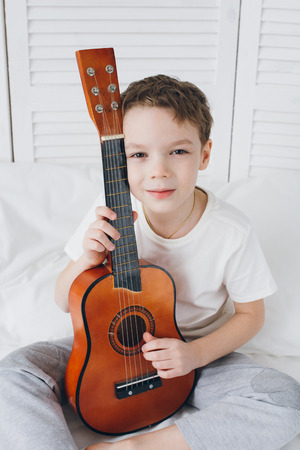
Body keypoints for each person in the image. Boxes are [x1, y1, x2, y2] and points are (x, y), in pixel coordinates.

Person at [0, 75, 299, 450]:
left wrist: (193, 355)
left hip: (193, 352)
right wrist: (87, 260)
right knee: (13, 373)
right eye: (139, 154)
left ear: (204, 154)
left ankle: (133, 447)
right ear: (119, 159)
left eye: (178, 152)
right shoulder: (112, 206)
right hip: (102, 349)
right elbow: (64, 299)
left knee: (284, 399)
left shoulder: (231, 231)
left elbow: (251, 315)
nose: (159, 170)